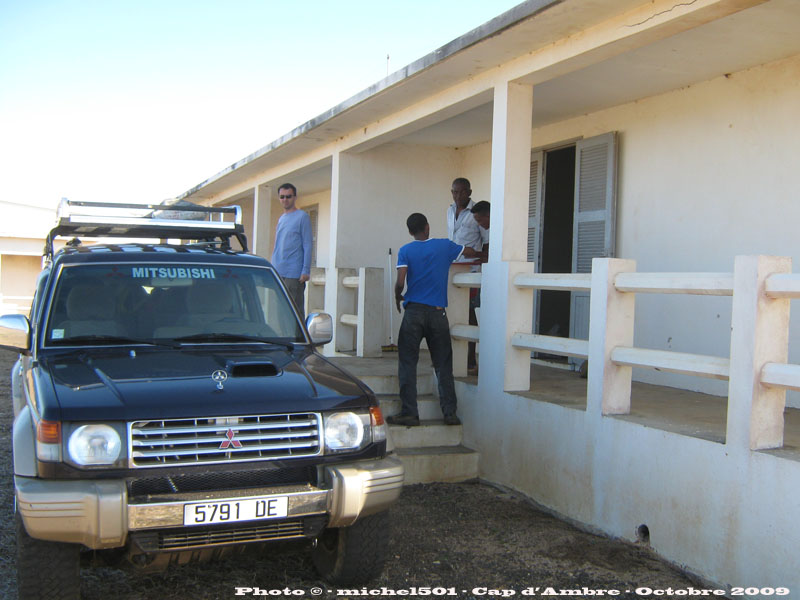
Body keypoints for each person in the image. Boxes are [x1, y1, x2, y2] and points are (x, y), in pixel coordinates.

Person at [387, 213, 479, 427]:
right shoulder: (444, 246)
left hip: (413, 313)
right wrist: (481, 252)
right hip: (438, 313)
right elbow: (469, 251)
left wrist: (397, 297)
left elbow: (400, 282)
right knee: (443, 364)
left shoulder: (405, 250)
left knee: (408, 363)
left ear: (410, 232)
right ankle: (450, 413)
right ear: (427, 227)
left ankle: (410, 412)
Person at [447, 177, 483, 371]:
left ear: (469, 192)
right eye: (454, 192)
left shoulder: (477, 212)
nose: (457, 195)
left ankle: (470, 358)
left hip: (471, 269)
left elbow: (486, 242)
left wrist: (476, 255)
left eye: (461, 192)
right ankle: (458, 357)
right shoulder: (449, 210)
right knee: (455, 312)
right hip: (453, 268)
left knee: (468, 312)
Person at [270, 183, 312, 319]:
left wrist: (305, 270)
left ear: (294, 197)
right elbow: (278, 245)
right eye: (282, 197)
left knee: (294, 313)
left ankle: (297, 340)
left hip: (294, 274)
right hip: (279, 272)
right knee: (280, 312)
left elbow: (307, 244)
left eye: (288, 196)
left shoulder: (302, 217)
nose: (285, 199)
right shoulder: (281, 219)